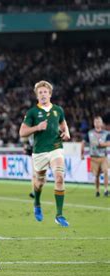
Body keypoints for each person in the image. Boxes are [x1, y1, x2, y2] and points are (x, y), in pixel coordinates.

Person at [19, 80, 71, 227]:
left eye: (45, 92)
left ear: (50, 94)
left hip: (56, 148)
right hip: (39, 152)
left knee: (59, 177)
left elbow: (63, 123)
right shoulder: (32, 112)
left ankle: (59, 214)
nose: (43, 94)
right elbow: (22, 133)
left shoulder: (58, 110)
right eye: (40, 92)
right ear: (37, 95)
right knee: (40, 183)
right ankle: (37, 203)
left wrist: (66, 132)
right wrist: (37, 127)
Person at [81, 116, 109, 197]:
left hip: (103, 157)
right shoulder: (90, 133)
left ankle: (106, 190)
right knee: (96, 175)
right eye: (96, 122)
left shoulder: (106, 133)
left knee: (106, 172)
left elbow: (109, 143)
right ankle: (97, 190)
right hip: (93, 157)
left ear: (101, 123)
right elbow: (83, 143)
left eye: (99, 121)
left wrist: (103, 144)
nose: (97, 123)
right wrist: (82, 154)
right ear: (94, 123)